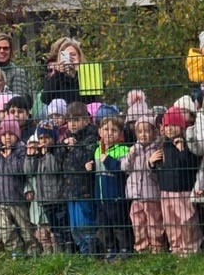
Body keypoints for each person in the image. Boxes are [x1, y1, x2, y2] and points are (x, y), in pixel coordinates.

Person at [150, 107, 201, 256]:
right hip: (166, 191)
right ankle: (176, 247)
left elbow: (191, 166)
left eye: (173, 125)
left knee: (187, 221)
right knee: (170, 222)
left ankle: (190, 249)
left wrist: (182, 150)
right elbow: (158, 170)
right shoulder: (163, 145)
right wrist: (151, 163)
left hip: (183, 190)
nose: (169, 129)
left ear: (181, 126)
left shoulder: (187, 144)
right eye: (166, 125)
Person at [0, 114, 36, 254]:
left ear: (17, 135)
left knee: (26, 229)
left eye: (11, 134)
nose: (7, 137)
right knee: (3, 229)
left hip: (17, 198)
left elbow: (20, 170)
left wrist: (8, 157)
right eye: (4, 134)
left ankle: (33, 252)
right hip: (0, 199)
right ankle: (16, 250)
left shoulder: (21, 150)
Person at [86, 115, 132, 259]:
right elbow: (97, 172)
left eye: (114, 130)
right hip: (100, 196)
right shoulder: (97, 149)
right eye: (106, 129)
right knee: (104, 226)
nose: (109, 133)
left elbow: (122, 170)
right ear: (100, 132)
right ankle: (110, 249)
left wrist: (108, 160)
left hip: (116, 195)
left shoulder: (123, 150)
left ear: (120, 134)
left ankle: (125, 249)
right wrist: (90, 167)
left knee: (119, 225)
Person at [122, 115, 165, 253]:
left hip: (151, 194)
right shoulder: (134, 149)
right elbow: (124, 168)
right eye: (139, 132)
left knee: (154, 223)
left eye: (147, 131)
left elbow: (157, 174)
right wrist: (130, 155)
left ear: (154, 132)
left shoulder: (157, 149)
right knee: (138, 223)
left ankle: (157, 248)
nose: (143, 135)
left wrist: (149, 163)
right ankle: (142, 249)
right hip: (136, 194)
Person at [62, 102, 99, 255]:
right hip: (70, 189)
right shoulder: (68, 138)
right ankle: (83, 252)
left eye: (76, 120)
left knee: (86, 224)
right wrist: (64, 146)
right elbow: (60, 159)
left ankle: (92, 253)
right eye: (69, 121)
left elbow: (85, 159)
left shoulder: (92, 137)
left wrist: (74, 147)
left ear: (86, 120)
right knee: (74, 227)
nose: (72, 124)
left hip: (85, 189)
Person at [0, 33, 30, 101]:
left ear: (10, 51)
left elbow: (19, 99)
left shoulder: (17, 72)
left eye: (5, 48)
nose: (2, 51)